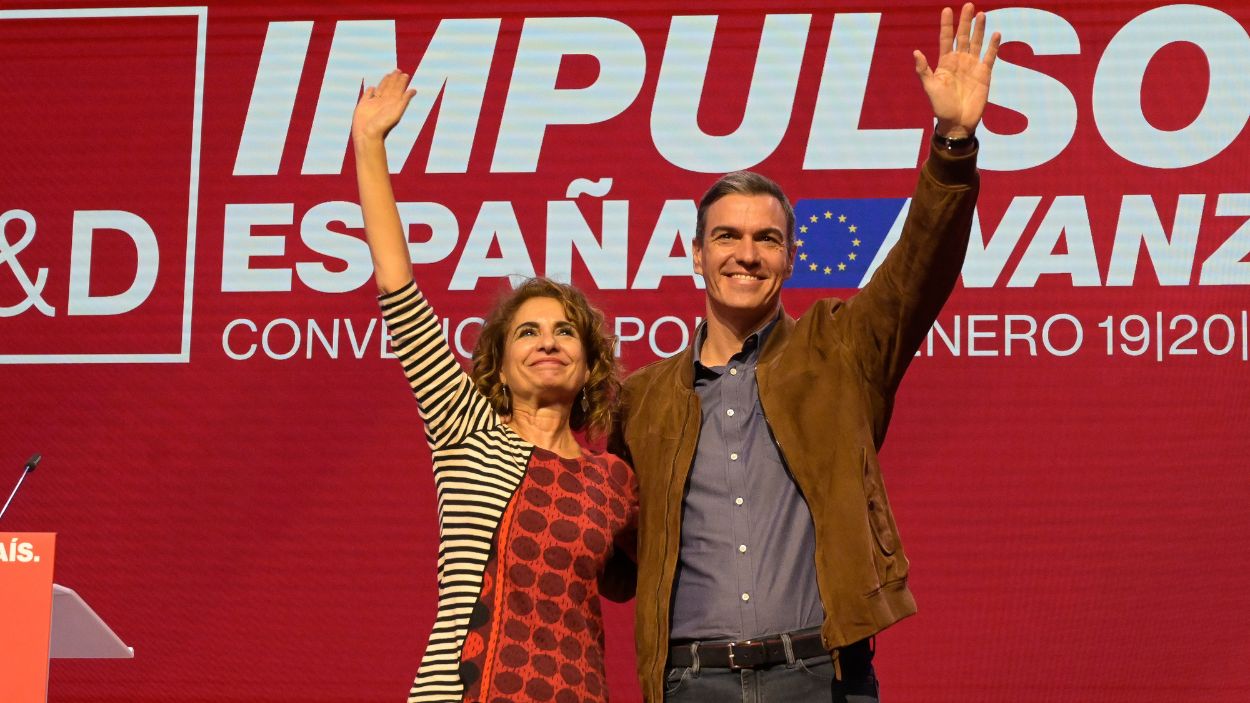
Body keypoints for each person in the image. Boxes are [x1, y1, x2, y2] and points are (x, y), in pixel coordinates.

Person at [609, 4, 1001, 701]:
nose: (746, 254)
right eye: (727, 237)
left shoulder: (841, 348)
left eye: (766, 239)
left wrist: (953, 140)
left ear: (791, 256)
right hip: (690, 683)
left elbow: (921, 266)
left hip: (820, 677)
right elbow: (609, 549)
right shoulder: (641, 399)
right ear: (696, 255)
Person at [353, 70, 638, 703]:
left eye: (565, 332)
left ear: (589, 365)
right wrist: (369, 143)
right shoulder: (464, 427)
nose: (547, 341)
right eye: (527, 332)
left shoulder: (614, 481)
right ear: (499, 365)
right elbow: (398, 287)